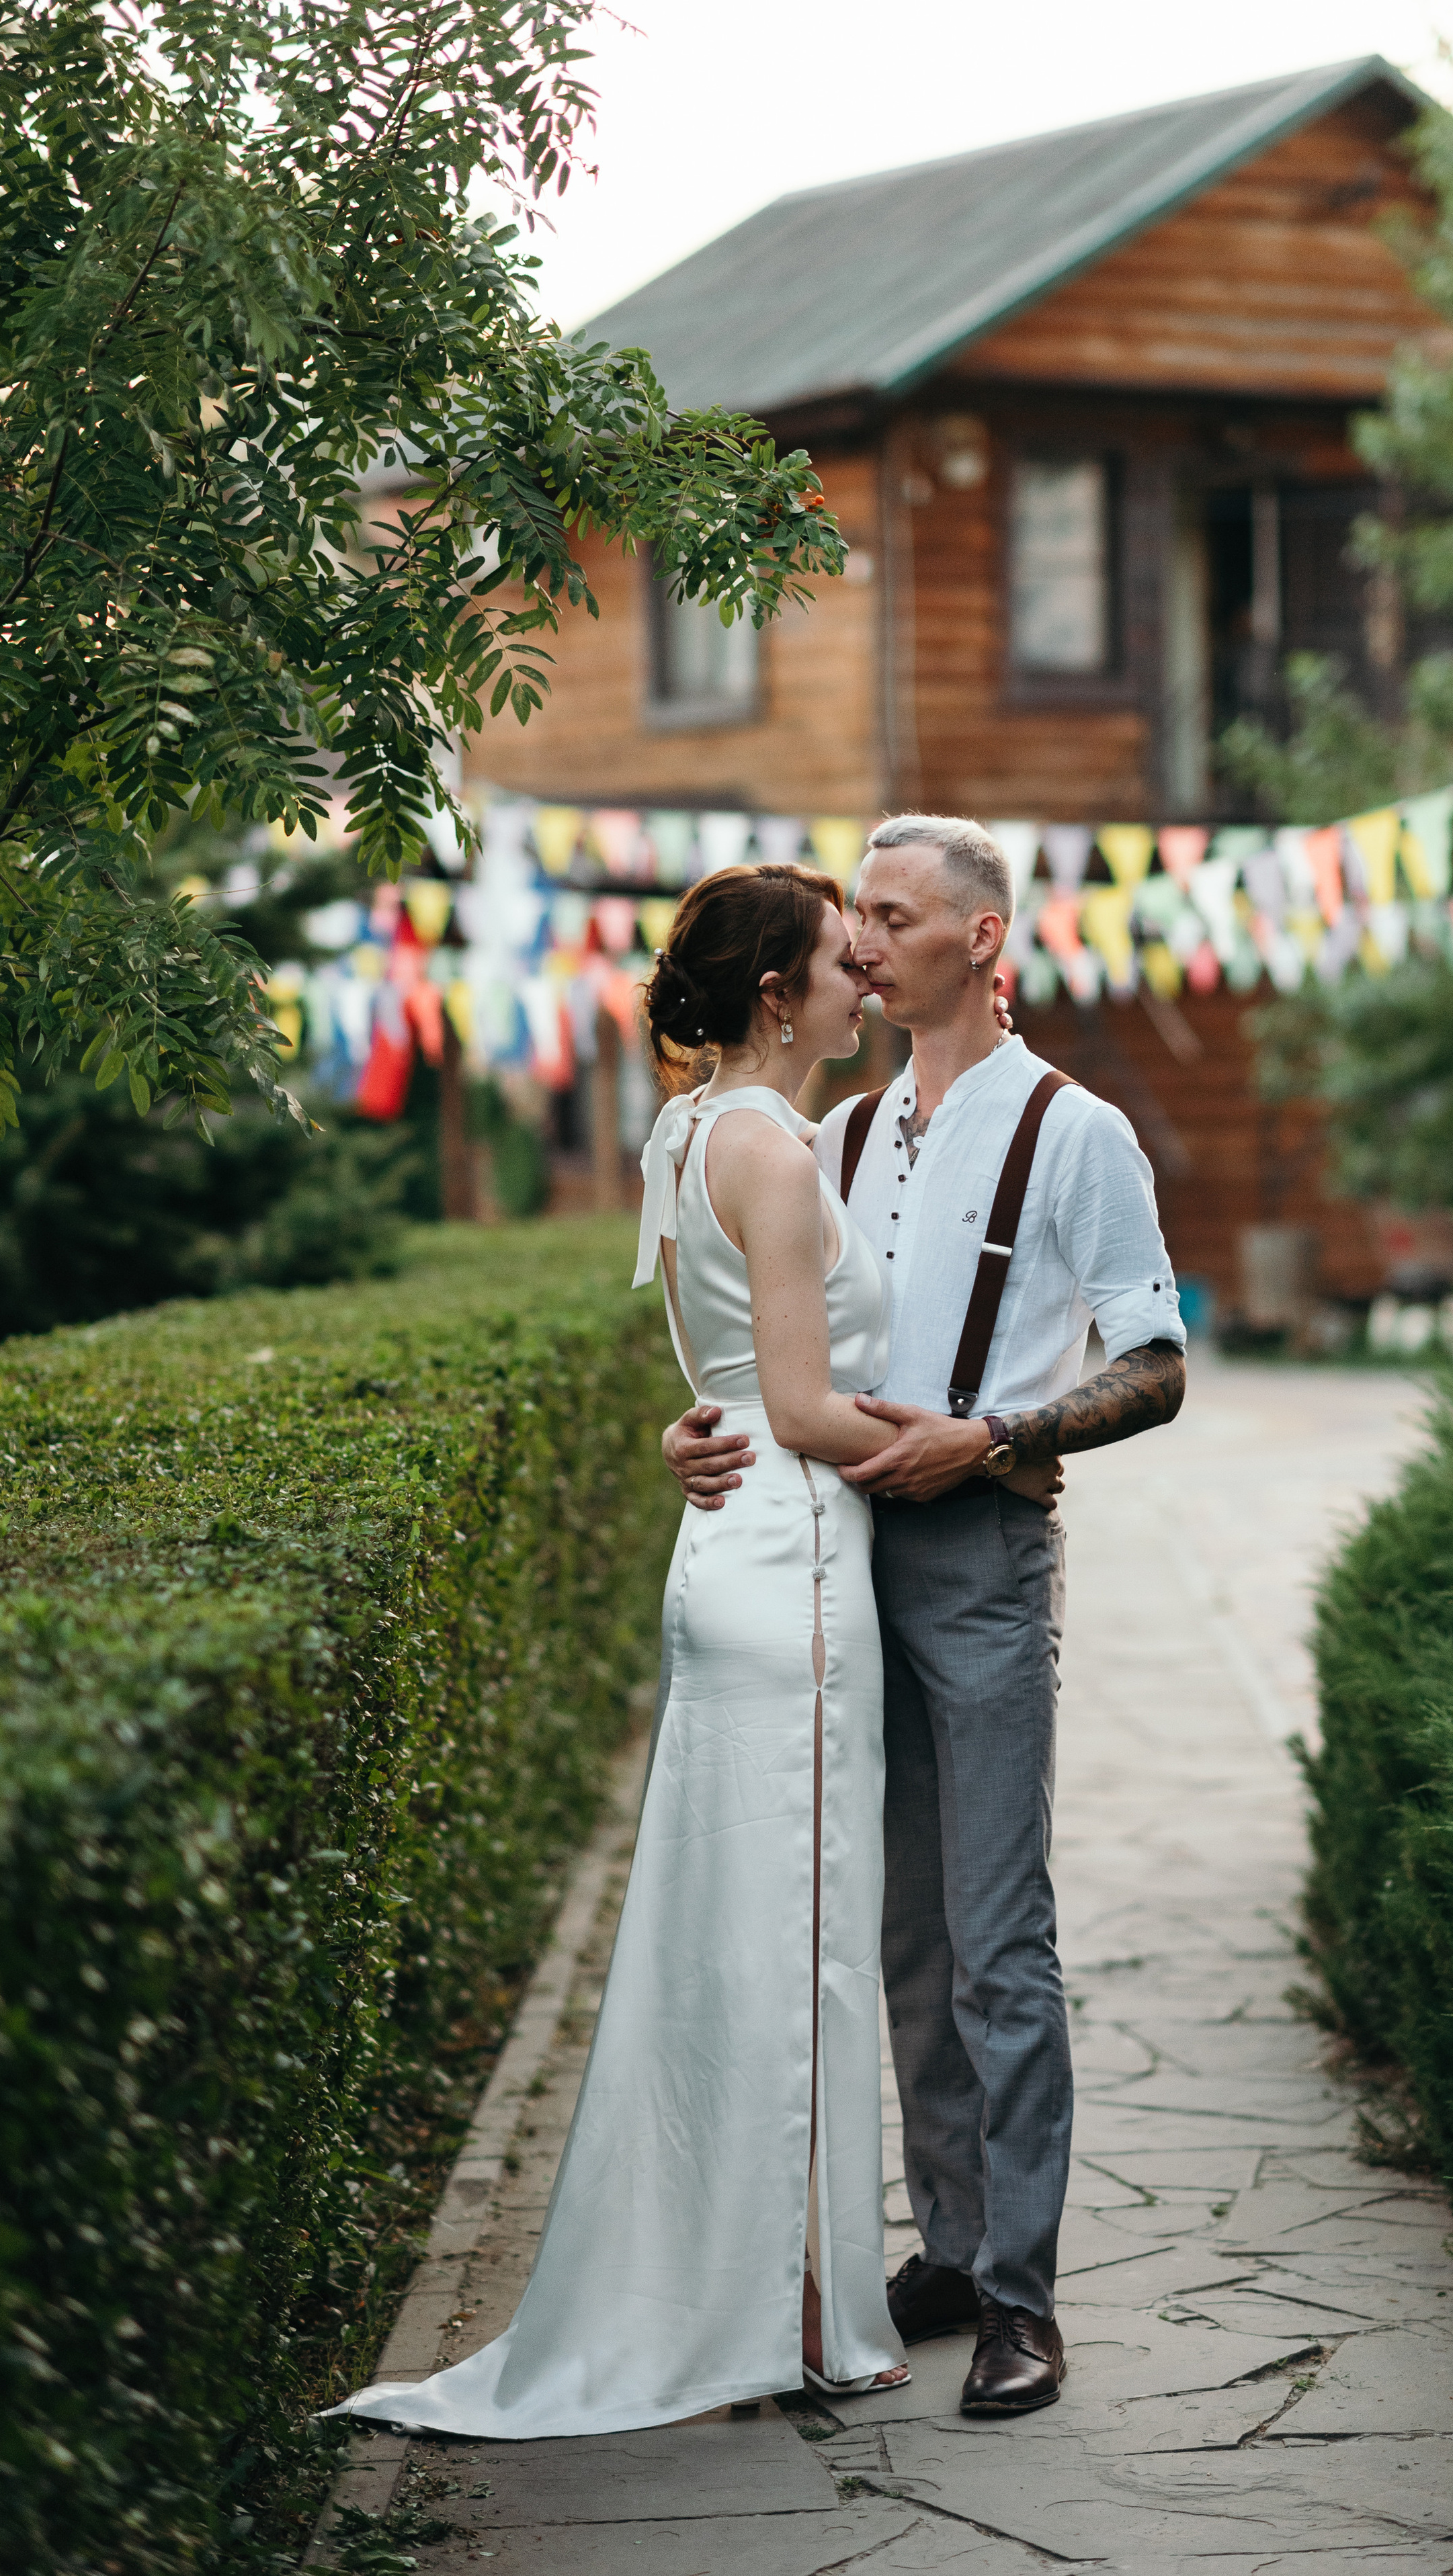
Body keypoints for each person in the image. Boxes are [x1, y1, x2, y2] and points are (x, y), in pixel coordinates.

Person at [331, 863, 912, 2439]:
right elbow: (793, 1409)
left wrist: (697, 1427)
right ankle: (787, 2321)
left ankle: (762, 2297)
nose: (867, 981)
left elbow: (723, 1372)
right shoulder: (773, 1156)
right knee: (796, 1946)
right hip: (789, 1560)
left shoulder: (686, 1134)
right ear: (777, 995)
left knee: (739, 1936)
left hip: (726, 1547)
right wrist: (978, 1442)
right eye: (842, 963)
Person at [663, 815, 1187, 2418]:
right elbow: (775, 1361)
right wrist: (696, 1436)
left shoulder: (1075, 1131)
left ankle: (1023, 2297)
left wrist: (1004, 1435)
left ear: (979, 941)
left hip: (978, 1559)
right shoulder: (835, 1136)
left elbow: (1155, 1363)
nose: (864, 941)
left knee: (996, 1939)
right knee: (896, 1939)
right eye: (857, 920)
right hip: (831, 1553)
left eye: (892, 916)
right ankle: (948, 2252)